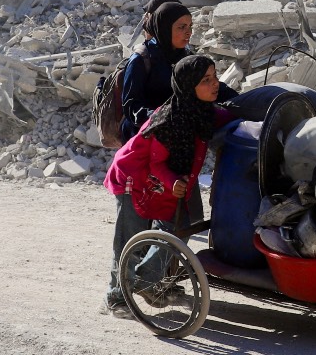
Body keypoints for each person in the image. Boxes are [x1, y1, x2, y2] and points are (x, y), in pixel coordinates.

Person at [101, 54, 235, 317]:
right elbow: (156, 162)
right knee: (130, 239)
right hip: (134, 176)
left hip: (158, 182)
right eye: (206, 80)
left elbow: (228, 116)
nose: (215, 84)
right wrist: (173, 181)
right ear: (189, 85)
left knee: (178, 226)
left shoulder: (201, 111)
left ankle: (147, 281)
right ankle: (116, 297)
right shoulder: (170, 120)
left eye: (215, 77)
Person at [119, 0, 237, 141]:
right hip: (145, 136)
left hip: (178, 130)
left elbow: (208, 83)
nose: (189, 32)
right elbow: (132, 106)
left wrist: (240, 101)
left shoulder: (186, 56)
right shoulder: (141, 59)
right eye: (182, 27)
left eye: (190, 26)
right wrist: (161, 118)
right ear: (165, 28)